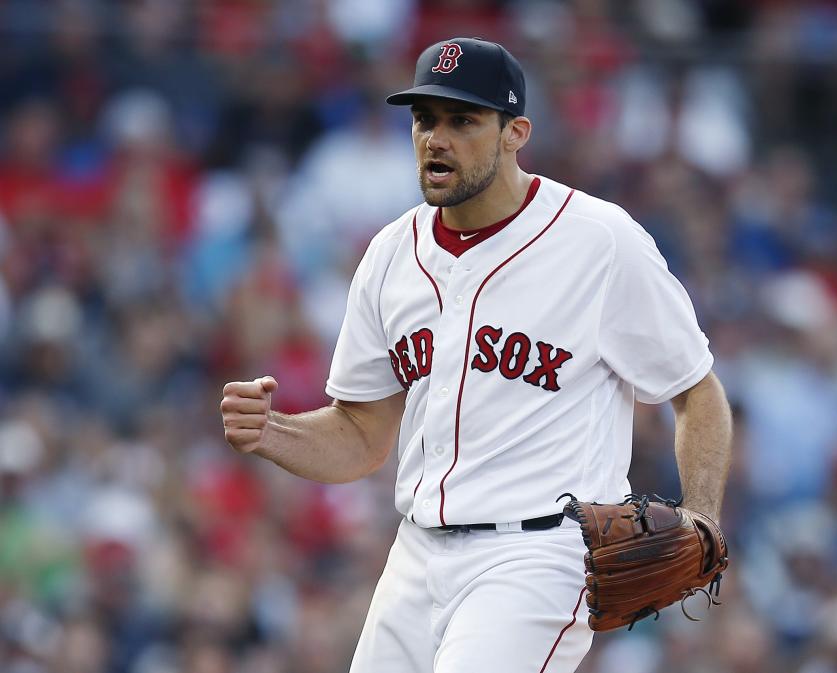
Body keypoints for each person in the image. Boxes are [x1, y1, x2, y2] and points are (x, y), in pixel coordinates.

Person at [220, 37, 732, 673]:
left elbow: (695, 389)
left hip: (536, 557)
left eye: (463, 120)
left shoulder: (600, 242)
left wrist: (702, 513)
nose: (438, 137)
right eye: (425, 119)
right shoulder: (390, 256)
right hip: (415, 553)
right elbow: (360, 436)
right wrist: (273, 431)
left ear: (515, 132)